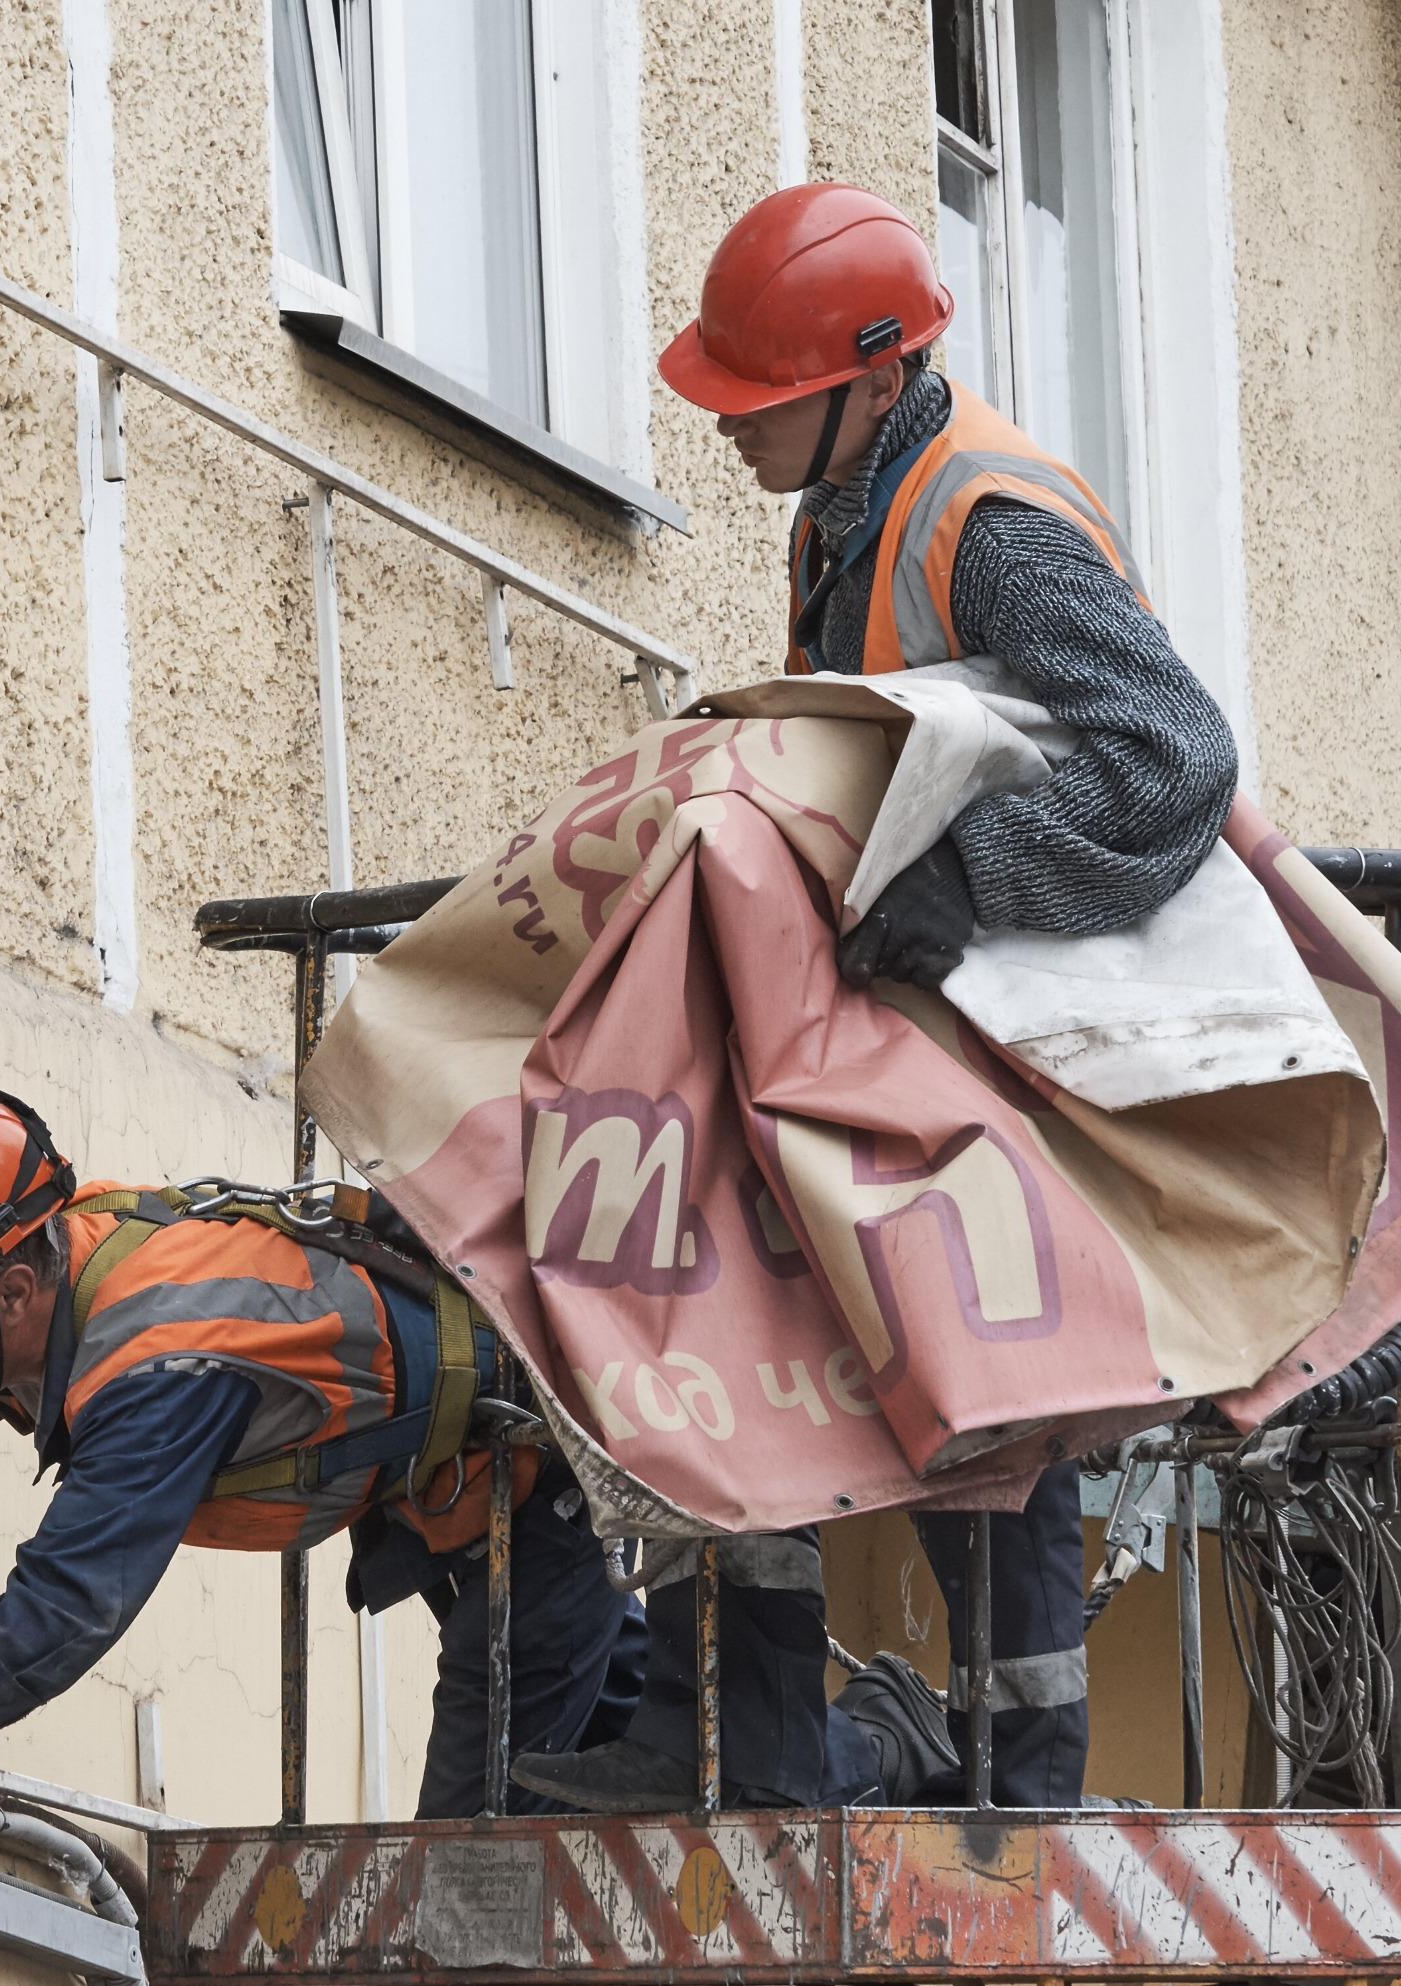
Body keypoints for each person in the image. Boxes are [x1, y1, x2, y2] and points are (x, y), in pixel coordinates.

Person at [512, 183, 1237, 1814]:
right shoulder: (843, 503)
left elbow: (1171, 762)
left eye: (758, 403)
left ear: (861, 377)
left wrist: (969, 873)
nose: (731, 431)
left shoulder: (986, 518)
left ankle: (1017, 1772)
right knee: (740, 1323)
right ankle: (738, 1740)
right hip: (880, 1034)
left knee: (980, 1387)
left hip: (992, 1050)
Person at [0, 1088, 641, 1817]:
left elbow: (45, 1630)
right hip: (451, 1487)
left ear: (11, 1289)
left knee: (471, 1863)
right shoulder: (14, 1291)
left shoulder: (159, 1368)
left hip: (535, 1495)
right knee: (609, 1748)